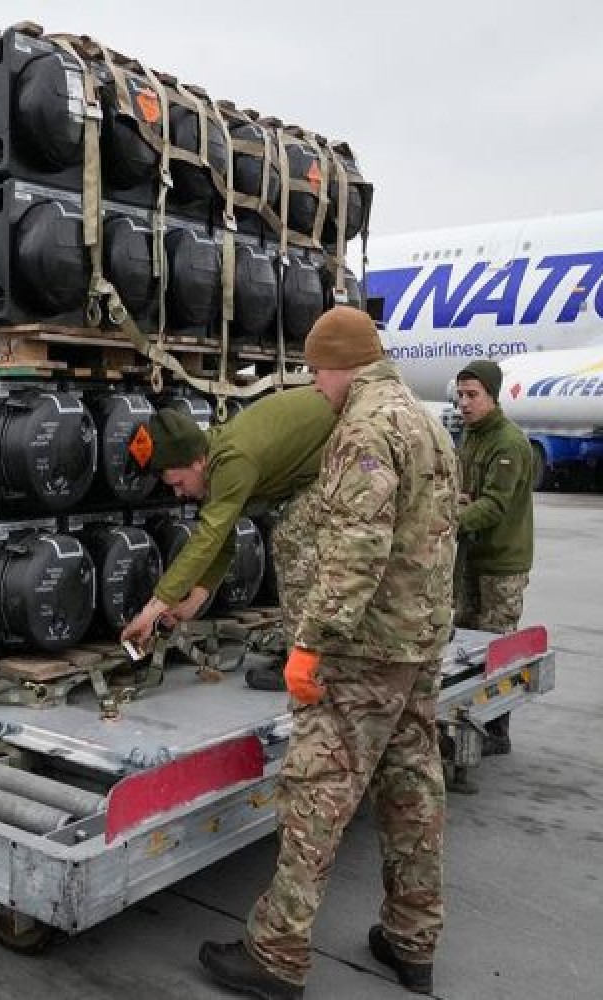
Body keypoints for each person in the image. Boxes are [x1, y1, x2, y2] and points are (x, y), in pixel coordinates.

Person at [198, 307, 459, 999]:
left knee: (316, 796)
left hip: (364, 651)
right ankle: (413, 940)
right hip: (418, 641)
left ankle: (276, 955)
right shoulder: (428, 421)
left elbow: (357, 551)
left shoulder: (365, 429)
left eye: (317, 372)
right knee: (412, 790)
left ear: (342, 364)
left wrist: (311, 642)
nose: (316, 387)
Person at [119, 387, 337, 693]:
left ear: (196, 462)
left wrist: (151, 611)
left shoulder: (233, 460)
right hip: (327, 454)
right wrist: (191, 604)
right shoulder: (216, 459)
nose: (179, 493)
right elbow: (222, 539)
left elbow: (208, 539)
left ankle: (311, 663)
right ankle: (310, 651)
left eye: (178, 483)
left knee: (294, 540)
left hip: (351, 442)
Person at [453, 359, 534, 756]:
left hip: (501, 563)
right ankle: (470, 721)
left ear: (492, 395)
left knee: (495, 650)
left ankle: (496, 731)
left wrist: (448, 519)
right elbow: (468, 491)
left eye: (472, 395)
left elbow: (494, 505)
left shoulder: (507, 442)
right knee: (465, 647)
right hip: (471, 558)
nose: (464, 404)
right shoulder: (472, 435)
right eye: (460, 395)